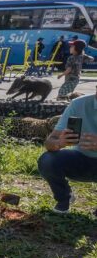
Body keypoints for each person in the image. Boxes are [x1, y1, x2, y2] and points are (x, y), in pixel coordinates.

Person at [38, 83, 97, 214]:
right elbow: (49, 142)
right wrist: (59, 143)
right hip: (83, 160)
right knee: (48, 160)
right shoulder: (78, 104)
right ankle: (64, 197)